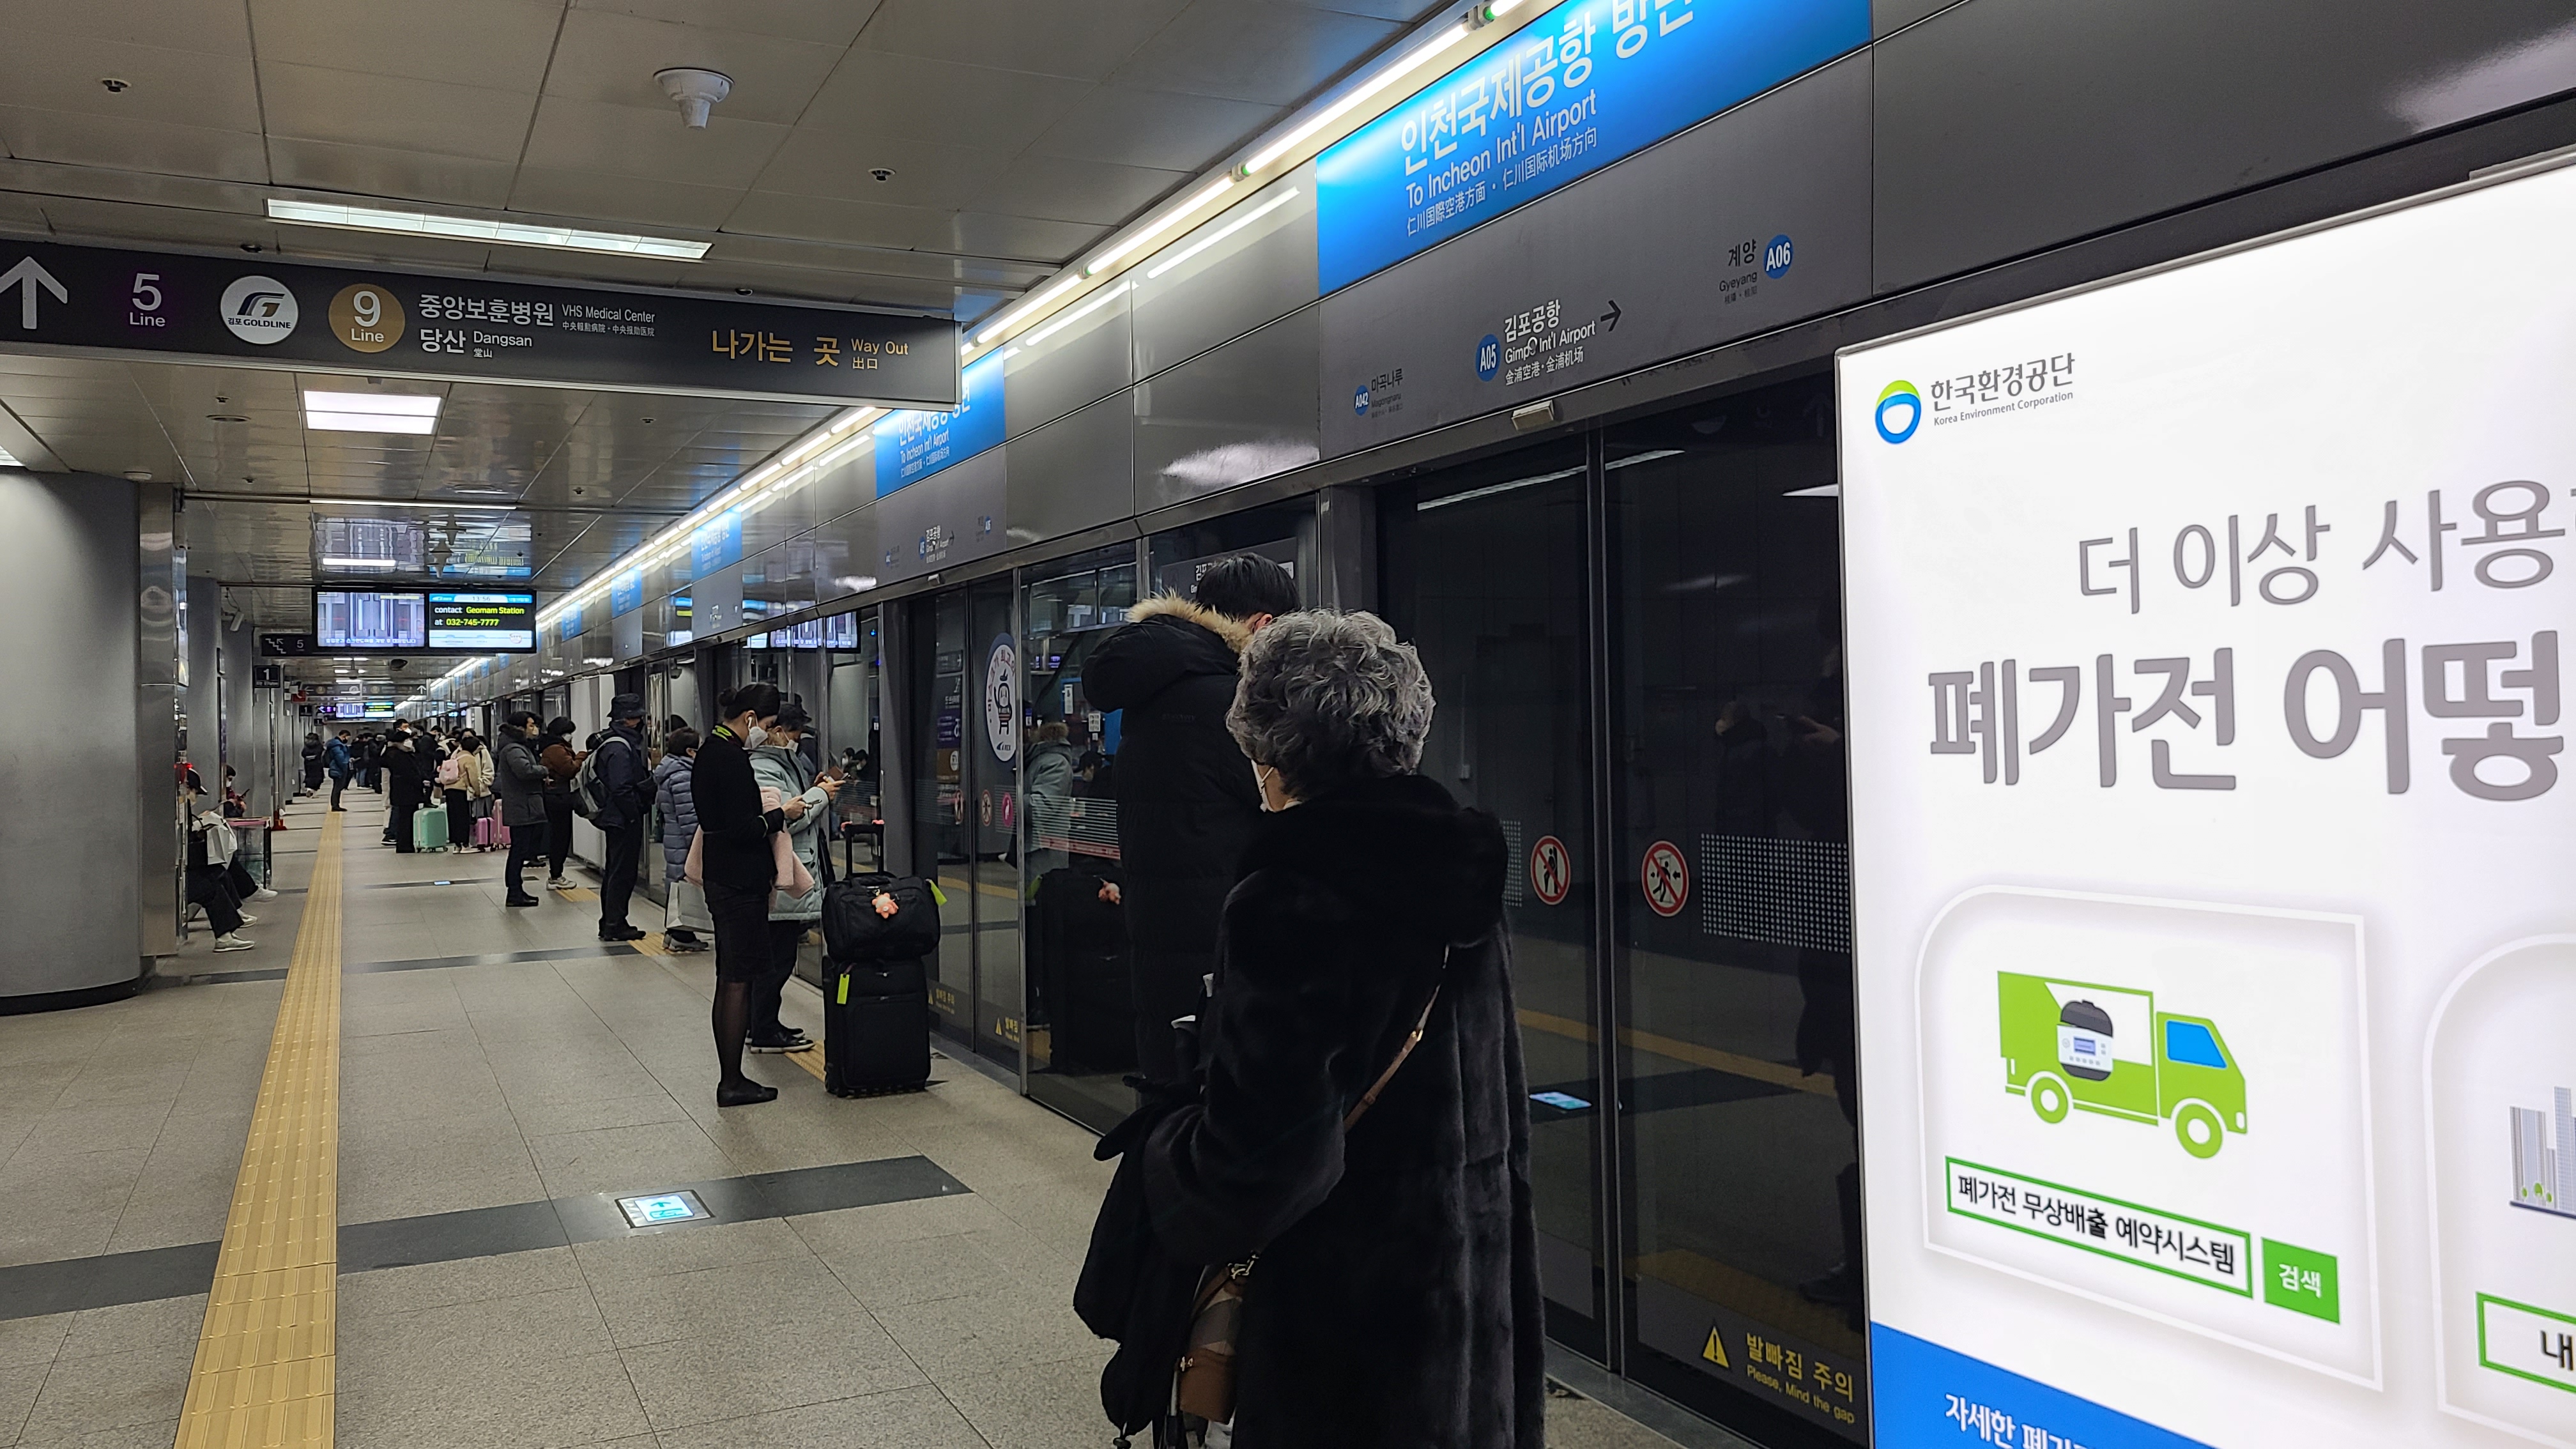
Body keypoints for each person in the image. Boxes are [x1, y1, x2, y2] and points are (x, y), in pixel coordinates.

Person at [1097, 611, 1542, 1448]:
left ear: (1273, 749)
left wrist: (1167, 1151)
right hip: (1467, 1298)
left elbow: (1261, 1167)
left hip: (1342, 1329)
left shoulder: (1290, 898)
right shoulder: (1460, 871)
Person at [1085, 552, 1298, 1084]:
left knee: (1172, 1073)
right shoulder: (1231, 702)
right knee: (1221, 1086)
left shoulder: (1154, 692)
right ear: (1264, 625)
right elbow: (1289, 813)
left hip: (1160, 927)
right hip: (1226, 936)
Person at [693, 682, 792, 1107]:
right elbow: (742, 828)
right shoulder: (730, 758)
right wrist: (780, 816)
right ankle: (731, 1082)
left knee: (730, 976)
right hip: (738, 882)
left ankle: (732, 1077)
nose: (767, 733)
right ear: (750, 718)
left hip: (723, 876)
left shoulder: (710, 750)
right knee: (737, 981)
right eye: (766, 725)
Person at [747, 703, 836, 1053]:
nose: (798, 739)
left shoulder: (784, 763)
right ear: (777, 731)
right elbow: (783, 819)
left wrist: (812, 790)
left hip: (788, 873)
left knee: (777, 957)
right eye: (795, 731)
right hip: (782, 877)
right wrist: (820, 796)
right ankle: (763, 1029)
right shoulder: (764, 767)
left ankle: (761, 1023)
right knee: (776, 959)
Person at [592, 694, 654, 942]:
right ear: (629, 720)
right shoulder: (619, 747)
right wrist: (634, 814)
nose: (641, 723)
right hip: (622, 819)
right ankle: (614, 924)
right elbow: (621, 788)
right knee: (621, 872)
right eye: (638, 717)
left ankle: (611, 921)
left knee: (616, 870)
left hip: (616, 817)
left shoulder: (614, 743)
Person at [182, 771, 256, 952]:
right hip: (174, 878)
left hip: (184, 870)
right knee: (211, 889)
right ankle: (224, 937)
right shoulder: (175, 811)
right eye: (195, 792)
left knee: (219, 872)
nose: (195, 797)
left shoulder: (183, 810)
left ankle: (234, 919)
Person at [652, 726, 710, 952]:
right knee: (684, 885)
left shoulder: (671, 771)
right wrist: (700, 847)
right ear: (689, 751)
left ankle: (674, 932)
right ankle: (681, 936)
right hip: (684, 842)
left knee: (677, 883)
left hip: (673, 838)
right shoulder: (683, 776)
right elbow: (690, 818)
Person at [493, 711, 551, 907]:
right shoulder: (514, 749)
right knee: (519, 851)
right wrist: (544, 770)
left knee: (519, 850)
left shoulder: (516, 747)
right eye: (531, 725)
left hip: (523, 805)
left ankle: (516, 891)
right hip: (522, 806)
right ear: (520, 728)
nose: (534, 729)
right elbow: (524, 771)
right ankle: (514, 892)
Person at [539, 717, 582, 888]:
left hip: (557, 796)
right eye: (569, 732)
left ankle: (556, 873)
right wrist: (581, 757)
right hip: (558, 798)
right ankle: (556, 875)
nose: (571, 736)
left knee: (560, 836)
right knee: (561, 837)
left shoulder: (552, 747)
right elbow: (569, 769)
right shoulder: (556, 749)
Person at [384, 723, 426, 852]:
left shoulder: (396, 754)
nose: (410, 742)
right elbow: (409, 773)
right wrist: (420, 782)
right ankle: (405, 845)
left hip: (402, 792)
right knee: (406, 820)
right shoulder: (398, 755)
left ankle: (406, 844)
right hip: (406, 792)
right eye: (407, 740)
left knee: (405, 819)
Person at [325, 730, 354, 811]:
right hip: (338, 769)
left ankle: (336, 805)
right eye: (347, 738)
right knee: (337, 788)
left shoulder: (336, 745)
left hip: (336, 768)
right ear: (344, 736)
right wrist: (345, 767)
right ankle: (335, 806)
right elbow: (340, 758)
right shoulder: (337, 746)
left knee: (337, 788)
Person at [300, 732, 325, 796]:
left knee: (309, 775)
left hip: (308, 763)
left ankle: (309, 789)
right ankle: (314, 791)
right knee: (318, 777)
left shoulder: (307, 745)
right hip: (317, 763)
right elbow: (321, 753)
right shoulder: (319, 745)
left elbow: (303, 754)